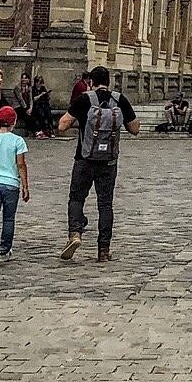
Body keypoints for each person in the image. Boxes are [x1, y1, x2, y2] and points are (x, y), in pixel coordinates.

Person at [56, 65, 139, 263]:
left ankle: (75, 234)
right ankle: (103, 249)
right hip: (108, 161)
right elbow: (135, 128)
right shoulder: (119, 99)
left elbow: (62, 125)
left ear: (91, 82)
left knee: (76, 198)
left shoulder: (85, 99)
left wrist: (82, 122)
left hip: (84, 158)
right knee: (105, 204)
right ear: (109, 82)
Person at [0, 105, 30, 267]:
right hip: (11, 184)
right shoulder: (18, 141)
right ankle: (4, 250)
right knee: (8, 218)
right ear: (13, 122)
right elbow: (21, 164)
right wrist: (25, 186)